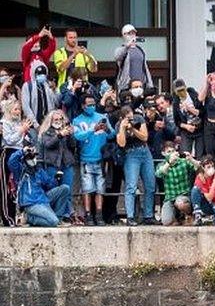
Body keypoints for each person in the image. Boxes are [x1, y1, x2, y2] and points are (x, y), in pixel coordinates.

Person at [72, 95, 114, 225]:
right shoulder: (77, 120)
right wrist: (92, 129)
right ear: (83, 106)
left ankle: (99, 215)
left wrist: (106, 129)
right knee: (87, 189)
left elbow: (113, 134)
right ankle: (88, 215)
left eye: (93, 104)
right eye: (89, 104)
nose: (92, 107)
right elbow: (78, 136)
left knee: (100, 189)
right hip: (86, 159)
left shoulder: (103, 117)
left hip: (101, 160)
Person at [7, 144, 70, 227]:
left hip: (43, 199)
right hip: (31, 204)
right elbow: (11, 161)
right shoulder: (20, 170)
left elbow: (50, 184)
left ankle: (59, 218)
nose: (33, 159)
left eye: (34, 156)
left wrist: (56, 178)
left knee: (65, 188)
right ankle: (28, 218)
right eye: (30, 157)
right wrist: (22, 151)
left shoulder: (39, 171)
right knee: (53, 222)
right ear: (24, 159)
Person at [115, 105, 156, 225]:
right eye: (128, 118)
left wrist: (132, 129)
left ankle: (148, 215)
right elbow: (121, 144)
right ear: (122, 118)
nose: (131, 119)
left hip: (144, 151)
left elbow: (145, 137)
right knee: (131, 186)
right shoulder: (119, 125)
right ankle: (130, 216)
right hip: (131, 153)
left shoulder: (139, 118)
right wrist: (123, 128)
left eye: (131, 116)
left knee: (150, 185)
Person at [37, 109, 77, 216]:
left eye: (60, 119)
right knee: (54, 190)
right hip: (52, 164)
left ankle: (67, 214)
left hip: (66, 164)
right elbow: (48, 144)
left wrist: (70, 134)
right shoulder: (47, 132)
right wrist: (59, 135)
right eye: (56, 119)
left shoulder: (66, 131)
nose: (58, 121)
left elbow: (73, 145)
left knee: (67, 190)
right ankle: (54, 213)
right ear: (51, 120)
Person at [155, 141, 200, 225]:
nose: (171, 154)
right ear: (163, 153)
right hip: (170, 198)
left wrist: (191, 159)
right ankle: (178, 218)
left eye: (172, 151)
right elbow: (158, 174)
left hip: (183, 196)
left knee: (180, 203)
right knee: (166, 221)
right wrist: (169, 163)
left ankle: (189, 215)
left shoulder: (183, 162)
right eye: (168, 152)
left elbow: (198, 167)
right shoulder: (161, 165)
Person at [191, 156, 215, 226]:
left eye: (212, 166)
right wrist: (213, 185)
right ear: (203, 168)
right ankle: (198, 214)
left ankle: (212, 219)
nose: (211, 168)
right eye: (208, 167)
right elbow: (209, 198)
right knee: (195, 189)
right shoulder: (200, 177)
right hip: (208, 203)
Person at [114, 24, 153, 91]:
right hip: (127, 86)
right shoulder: (121, 49)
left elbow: (145, 68)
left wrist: (150, 84)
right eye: (130, 33)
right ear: (124, 35)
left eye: (134, 33)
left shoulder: (140, 50)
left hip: (141, 85)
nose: (132, 35)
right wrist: (127, 45)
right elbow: (117, 56)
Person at [172, 78, 203, 157]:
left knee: (200, 154)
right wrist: (186, 126)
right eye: (178, 91)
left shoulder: (194, 95)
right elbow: (177, 121)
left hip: (199, 128)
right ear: (175, 91)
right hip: (186, 130)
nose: (181, 93)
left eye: (182, 90)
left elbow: (202, 112)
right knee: (185, 154)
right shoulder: (176, 102)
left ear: (185, 87)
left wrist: (189, 109)